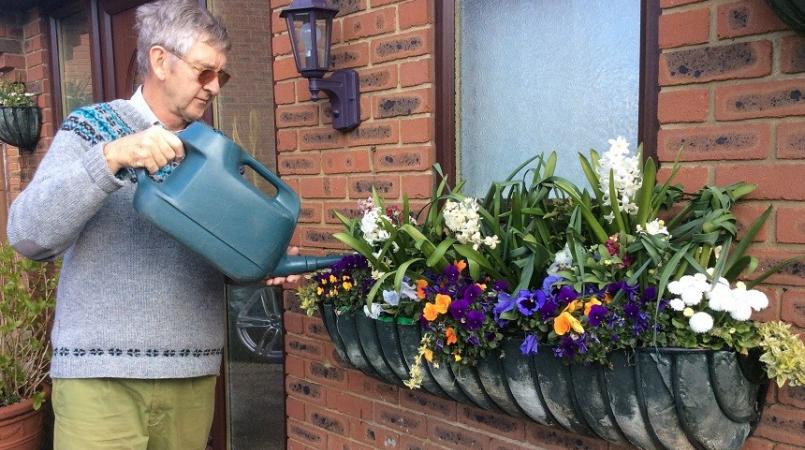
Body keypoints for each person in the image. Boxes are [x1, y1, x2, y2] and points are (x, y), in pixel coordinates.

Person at [7, 1, 297, 448]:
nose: (215, 87)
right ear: (161, 60)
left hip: (192, 375)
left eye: (222, 75)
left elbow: (215, 260)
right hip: (101, 381)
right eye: (204, 72)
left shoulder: (215, 154)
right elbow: (27, 234)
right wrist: (111, 159)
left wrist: (259, 264)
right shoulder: (92, 129)